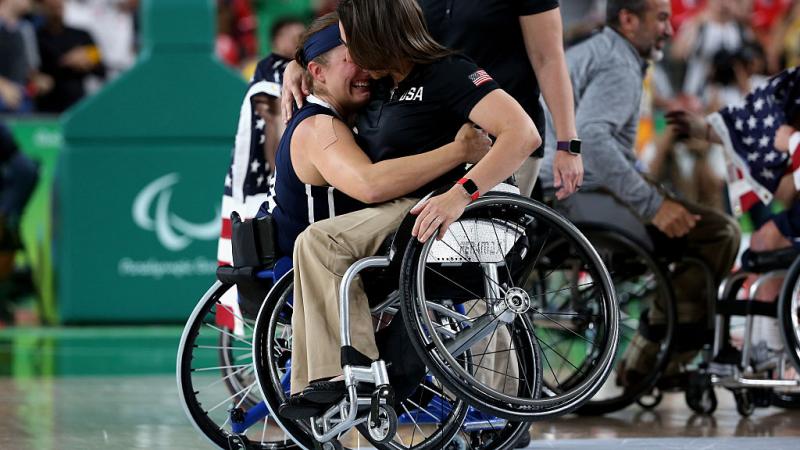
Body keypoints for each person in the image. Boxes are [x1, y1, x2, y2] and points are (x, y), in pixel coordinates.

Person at [281, 0, 539, 418]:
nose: (353, 56)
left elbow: (523, 134)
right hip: (405, 211)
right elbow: (325, 53)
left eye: (353, 44)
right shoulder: (384, 84)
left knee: (321, 242)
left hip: (447, 208)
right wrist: (298, 64)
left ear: (376, 37)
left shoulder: (448, 70)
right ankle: (330, 378)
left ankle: (357, 373)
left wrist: (462, 193)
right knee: (315, 244)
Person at [539, 0, 740, 383]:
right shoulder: (618, 64)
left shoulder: (594, 51)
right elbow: (594, 141)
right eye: (661, 19)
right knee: (720, 232)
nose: (669, 29)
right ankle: (655, 356)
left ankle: (655, 347)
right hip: (583, 196)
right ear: (628, 20)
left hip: (565, 191)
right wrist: (652, 204)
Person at [282, 0, 583, 201]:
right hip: (426, 128)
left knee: (485, 260)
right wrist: (302, 59)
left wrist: (568, 143)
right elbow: (361, 21)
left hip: (501, 128)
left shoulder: (454, 70)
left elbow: (548, 58)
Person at [36, 0, 105, 113]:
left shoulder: (82, 35)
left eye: (59, 5)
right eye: (52, 5)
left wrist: (88, 59)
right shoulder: (35, 36)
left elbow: (101, 65)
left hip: (78, 105)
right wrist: (67, 61)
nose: (56, 5)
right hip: (47, 107)